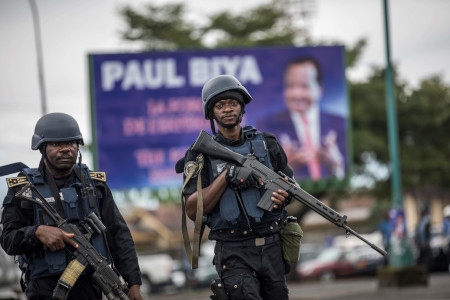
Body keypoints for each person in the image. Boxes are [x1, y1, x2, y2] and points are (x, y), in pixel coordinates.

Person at [0, 112, 143, 300]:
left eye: (71, 143)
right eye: (56, 144)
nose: (66, 149)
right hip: (43, 288)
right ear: (42, 148)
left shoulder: (95, 186)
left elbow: (119, 235)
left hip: (89, 287)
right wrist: (37, 232)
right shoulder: (24, 188)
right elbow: (8, 239)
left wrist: (133, 283)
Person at [178, 75, 296, 300]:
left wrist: (284, 196)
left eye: (233, 103)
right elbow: (193, 210)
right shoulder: (200, 154)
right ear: (211, 113)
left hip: (272, 246)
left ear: (242, 108)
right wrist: (226, 177)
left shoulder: (267, 144)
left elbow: (290, 184)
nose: (227, 109)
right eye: (220, 106)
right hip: (233, 251)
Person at [258, 57, 347, 181]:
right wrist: (282, 168)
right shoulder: (265, 127)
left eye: (304, 86)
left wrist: (336, 167)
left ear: (320, 89)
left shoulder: (341, 124)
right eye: (290, 86)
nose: (296, 94)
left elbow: (348, 176)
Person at [415, 204, 432, 270]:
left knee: (426, 258)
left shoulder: (426, 220)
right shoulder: (421, 220)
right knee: (421, 258)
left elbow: (427, 231)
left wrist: (427, 241)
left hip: (425, 243)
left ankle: (427, 269)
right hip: (421, 243)